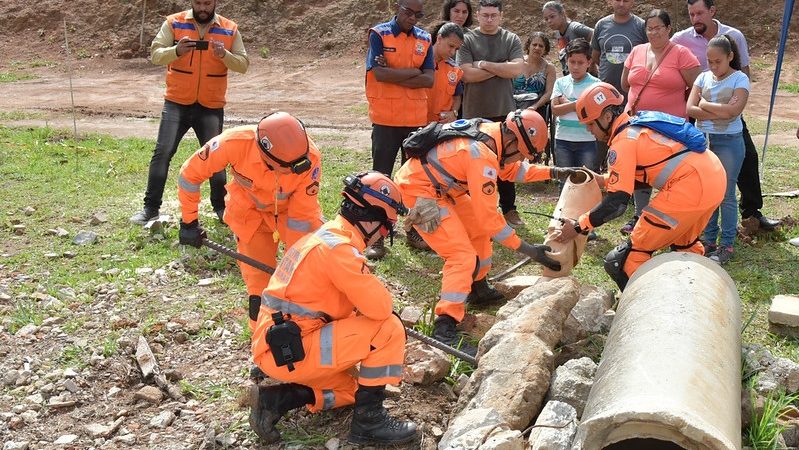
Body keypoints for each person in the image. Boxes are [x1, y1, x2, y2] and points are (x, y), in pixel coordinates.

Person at [248, 171, 417, 446]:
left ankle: (277, 400)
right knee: (389, 329)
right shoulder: (339, 250)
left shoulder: (324, 237)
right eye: (385, 228)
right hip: (292, 349)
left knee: (354, 389)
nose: (383, 235)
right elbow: (381, 307)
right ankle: (369, 424)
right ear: (371, 218)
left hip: (281, 348)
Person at [395, 109, 572, 356]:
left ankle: (478, 287)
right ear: (512, 141)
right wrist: (529, 250)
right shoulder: (481, 155)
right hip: (419, 191)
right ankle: (445, 326)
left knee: (478, 231)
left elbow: (513, 171)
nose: (519, 159)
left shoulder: (493, 134)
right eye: (521, 153)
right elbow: (490, 219)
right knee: (461, 255)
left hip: (443, 187)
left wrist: (555, 172)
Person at [556, 82, 725, 291]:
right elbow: (637, 176)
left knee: (625, 260)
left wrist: (579, 226)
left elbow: (617, 203)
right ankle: (695, 297)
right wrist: (602, 180)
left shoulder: (623, 142)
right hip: (713, 177)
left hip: (690, 186)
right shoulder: (636, 126)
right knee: (685, 246)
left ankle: (650, 313)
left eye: (590, 123)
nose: (588, 130)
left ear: (607, 117)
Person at [176, 112, 323, 333]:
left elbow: (301, 216)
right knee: (259, 288)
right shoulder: (233, 143)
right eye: (289, 167)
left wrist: (295, 261)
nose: (297, 169)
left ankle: (308, 330)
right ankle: (262, 346)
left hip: (292, 215)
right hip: (249, 215)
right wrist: (189, 222)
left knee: (310, 275)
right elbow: (189, 175)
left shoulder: (308, 157)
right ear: (266, 156)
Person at [130, 0, 249, 225]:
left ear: (215, 3)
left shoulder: (229, 28)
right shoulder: (173, 23)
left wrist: (225, 55)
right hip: (177, 102)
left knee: (217, 158)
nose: (202, 8)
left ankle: (222, 209)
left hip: (211, 106)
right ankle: (150, 209)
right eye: (198, 3)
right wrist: (176, 50)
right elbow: (155, 54)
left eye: (207, 3)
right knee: (162, 152)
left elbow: (243, 64)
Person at [672, 0, 780, 231]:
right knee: (695, 169)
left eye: (700, 13)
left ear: (712, 11)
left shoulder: (734, 36)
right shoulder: (681, 39)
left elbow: (745, 73)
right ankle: (694, 219)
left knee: (748, 158)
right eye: (691, 14)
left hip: (727, 111)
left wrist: (730, 105)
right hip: (700, 115)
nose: (695, 19)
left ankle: (752, 213)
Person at [619, 9, 701, 234]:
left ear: (669, 29)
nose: (653, 32)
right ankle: (640, 215)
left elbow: (697, 87)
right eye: (649, 28)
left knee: (670, 171)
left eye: (658, 28)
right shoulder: (636, 51)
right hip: (637, 124)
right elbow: (626, 84)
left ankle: (670, 217)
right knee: (640, 169)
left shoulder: (681, 53)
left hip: (670, 127)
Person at [364, 0, 435, 260]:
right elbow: (379, 75)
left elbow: (429, 79)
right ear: (397, 7)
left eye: (419, 14)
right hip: (385, 118)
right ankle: (376, 235)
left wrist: (393, 71)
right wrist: (413, 72)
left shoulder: (425, 39)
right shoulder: (378, 34)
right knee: (380, 178)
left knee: (414, 180)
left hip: (415, 119)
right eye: (408, 12)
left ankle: (414, 230)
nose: (413, 18)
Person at [457, 0, 526, 227]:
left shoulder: (510, 39)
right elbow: (466, 74)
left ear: (501, 16)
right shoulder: (466, 39)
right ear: (477, 15)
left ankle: (509, 209)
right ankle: (472, 210)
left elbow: (516, 69)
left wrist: (484, 64)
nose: (489, 19)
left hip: (503, 112)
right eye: (485, 15)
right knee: (471, 164)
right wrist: (500, 68)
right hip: (473, 114)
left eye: (493, 15)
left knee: (505, 164)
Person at [687, 35, 749, 264]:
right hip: (703, 141)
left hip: (729, 142)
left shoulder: (740, 79)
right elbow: (690, 109)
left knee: (726, 194)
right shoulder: (703, 77)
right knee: (707, 192)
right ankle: (709, 239)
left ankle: (727, 245)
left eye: (718, 61)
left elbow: (733, 112)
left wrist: (705, 105)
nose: (713, 67)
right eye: (709, 61)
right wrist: (719, 110)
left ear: (730, 56)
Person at [408, 22, 466, 251]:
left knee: (434, 181)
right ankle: (411, 228)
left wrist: (453, 111)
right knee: (413, 182)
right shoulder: (418, 61)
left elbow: (457, 96)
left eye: (456, 49)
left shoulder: (454, 70)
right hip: (414, 128)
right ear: (438, 38)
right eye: (450, 46)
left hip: (439, 132)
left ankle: (427, 228)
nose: (453, 52)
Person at [590, 0, 647, 171]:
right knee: (600, 139)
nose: (621, 4)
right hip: (605, 98)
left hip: (631, 97)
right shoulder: (601, 25)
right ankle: (597, 180)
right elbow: (595, 57)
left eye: (626, 0)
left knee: (627, 141)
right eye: (617, 0)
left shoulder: (641, 26)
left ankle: (624, 183)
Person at [551, 38, 600, 174]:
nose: (576, 67)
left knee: (586, 179)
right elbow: (555, 110)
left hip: (587, 140)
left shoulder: (596, 85)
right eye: (572, 62)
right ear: (566, 61)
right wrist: (581, 105)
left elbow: (594, 115)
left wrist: (569, 104)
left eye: (580, 63)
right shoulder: (560, 83)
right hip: (562, 140)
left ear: (589, 63)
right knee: (564, 181)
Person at [541, 1, 593, 76]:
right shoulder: (558, 33)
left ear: (562, 14)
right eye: (546, 19)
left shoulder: (575, 28)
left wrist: (592, 61)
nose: (549, 21)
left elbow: (595, 34)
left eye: (552, 16)